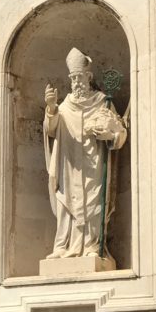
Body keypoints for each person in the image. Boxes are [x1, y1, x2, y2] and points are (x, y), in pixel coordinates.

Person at [43, 47, 127, 260]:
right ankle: (63, 246)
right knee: (65, 203)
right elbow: (51, 130)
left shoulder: (102, 102)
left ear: (88, 77)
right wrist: (51, 109)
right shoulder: (65, 106)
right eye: (73, 78)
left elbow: (119, 132)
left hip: (93, 165)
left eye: (80, 77)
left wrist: (108, 134)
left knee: (93, 204)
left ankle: (92, 246)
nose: (76, 82)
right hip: (69, 164)